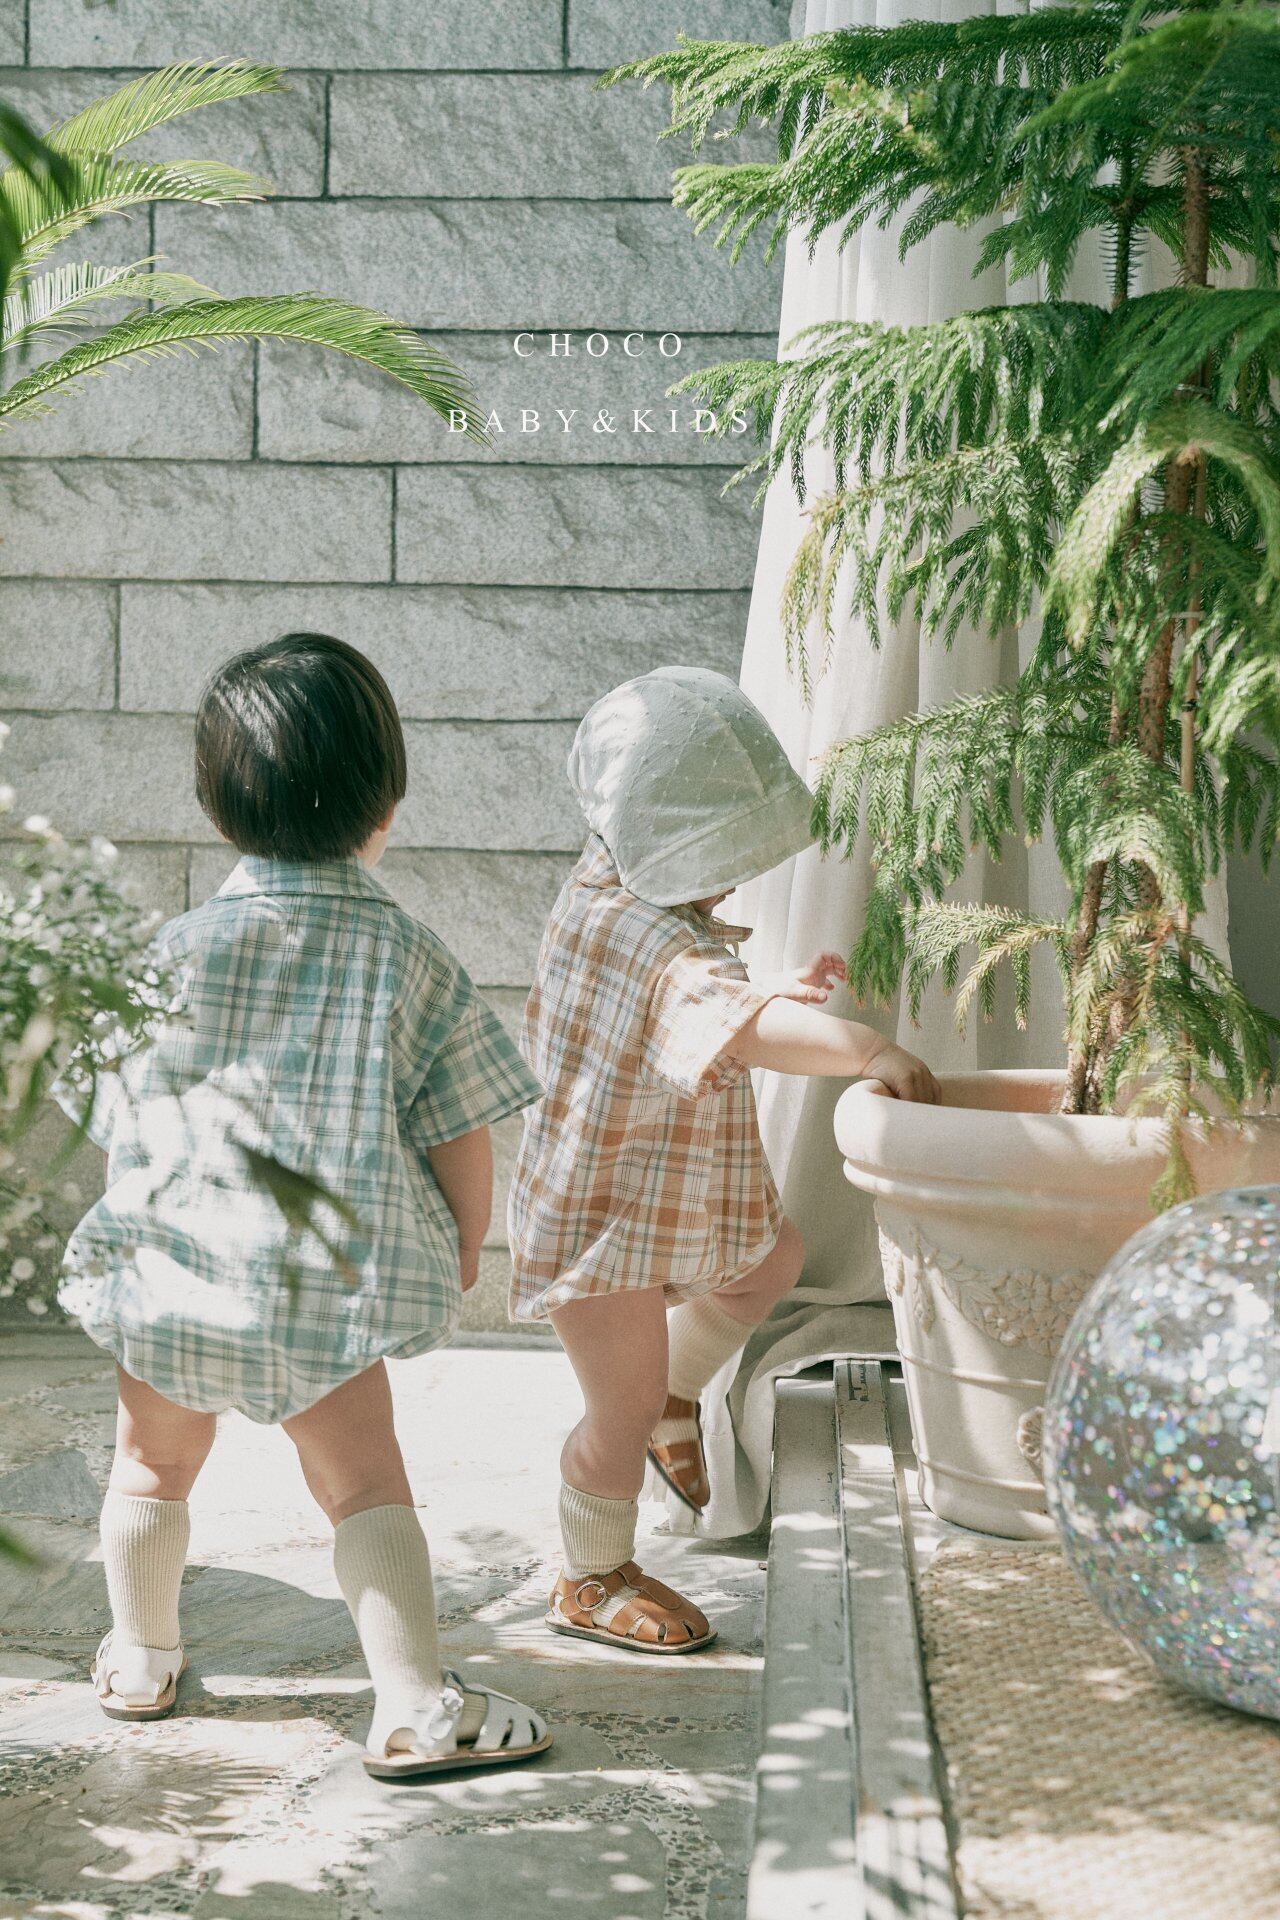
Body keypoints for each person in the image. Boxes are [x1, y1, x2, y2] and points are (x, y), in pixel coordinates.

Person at [57, 633, 551, 1778]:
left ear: (216, 805)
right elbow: (459, 1124)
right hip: (322, 1298)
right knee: (364, 1483)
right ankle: (414, 1702)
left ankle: (140, 1659)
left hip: (177, 1285)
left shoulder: (172, 950)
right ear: (386, 801)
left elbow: (118, 1115)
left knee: (148, 1466)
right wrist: (462, 1239)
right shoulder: (405, 955)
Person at [509, 666, 939, 1653]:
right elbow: (730, 1022)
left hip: (651, 1182)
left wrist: (768, 987)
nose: (732, 882)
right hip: (600, 1217)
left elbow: (694, 995)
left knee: (772, 1260)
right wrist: (865, 1049)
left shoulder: (616, 883)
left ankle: (677, 1390)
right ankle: (588, 1577)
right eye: (719, 860)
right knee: (612, 1414)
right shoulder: (637, 931)